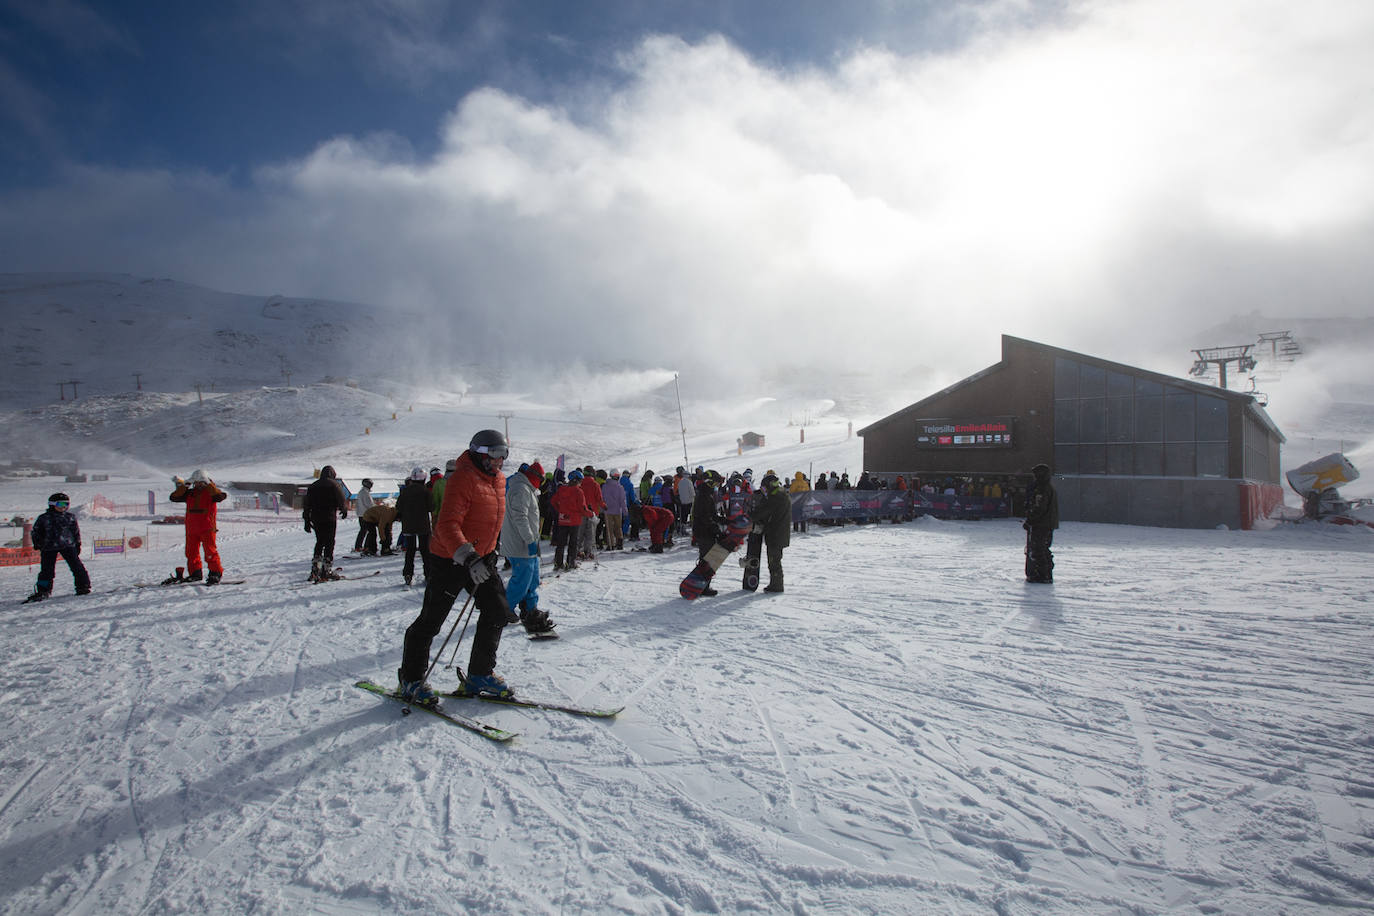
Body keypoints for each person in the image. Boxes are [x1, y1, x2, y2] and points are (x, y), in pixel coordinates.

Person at [398, 430, 517, 703]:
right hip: (451, 559)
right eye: (496, 455)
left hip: (481, 558)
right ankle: (411, 678)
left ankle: (480, 674)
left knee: (497, 612)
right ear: (479, 452)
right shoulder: (463, 478)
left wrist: (491, 548)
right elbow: (447, 525)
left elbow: (491, 518)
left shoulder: (498, 480)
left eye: (504, 455)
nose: (501, 461)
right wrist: (469, 557)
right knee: (431, 621)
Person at [502, 462, 555, 634]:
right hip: (520, 544)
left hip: (529, 543)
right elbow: (520, 517)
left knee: (532, 578)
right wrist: (530, 538)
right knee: (522, 579)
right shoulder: (521, 489)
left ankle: (530, 608)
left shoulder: (526, 489)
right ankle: (505, 610)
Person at [27, 492, 90, 601]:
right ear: (52, 504)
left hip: (68, 546)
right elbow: (36, 532)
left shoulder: (70, 517)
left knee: (77, 567)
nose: (63, 507)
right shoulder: (44, 518)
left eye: (66, 505)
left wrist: (77, 544)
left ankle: (83, 587)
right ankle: (43, 590)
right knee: (47, 571)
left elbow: (75, 532)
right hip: (49, 547)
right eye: (60, 505)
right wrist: (38, 543)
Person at [169, 469, 228, 583]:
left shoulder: (211, 492)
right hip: (192, 528)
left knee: (210, 552)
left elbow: (220, 496)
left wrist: (208, 483)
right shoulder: (190, 493)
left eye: (200, 482)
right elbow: (174, 497)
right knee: (191, 552)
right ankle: (195, 573)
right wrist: (185, 485)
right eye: (196, 482)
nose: (198, 484)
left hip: (207, 528)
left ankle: (215, 573)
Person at [303, 465, 348, 581]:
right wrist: (344, 510)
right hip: (329, 518)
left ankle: (315, 568)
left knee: (319, 542)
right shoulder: (334, 484)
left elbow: (306, 505)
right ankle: (326, 570)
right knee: (329, 543)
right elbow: (341, 499)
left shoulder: (313, 486)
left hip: (316, 518)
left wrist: (307, 521)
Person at [750, 473, 792, 592]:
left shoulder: (776, 496)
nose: (764, 491)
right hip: (779, 532)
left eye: (764, 488)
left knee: (774, 561)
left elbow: (764, 511)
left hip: (776, 533)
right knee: (775, 559)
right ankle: (776, 583)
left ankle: (777, 585)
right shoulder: (782, 493)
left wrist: (751, 516)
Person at [396, 467, 432, 586]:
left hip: (408, 526)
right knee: (425, 551)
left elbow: (399, 508)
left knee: (410, 551)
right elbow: (431, 507)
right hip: (423, 526)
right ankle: (428, 574)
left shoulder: (405, 491)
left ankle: (408, 574)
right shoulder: (425, 491)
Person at [1024, 463, 1059, 583]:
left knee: (1039, 549)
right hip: (1047, 523)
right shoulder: (1048, 487)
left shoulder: (1042, 488)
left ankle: (1043, 574)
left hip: (1041, 524)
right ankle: (1046, 573)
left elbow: (1039, 507)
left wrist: (1030, 520)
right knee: (1043, 548)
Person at [550, 469, 592, 570]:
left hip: (563, 519)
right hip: (574, 521)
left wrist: (560, 510)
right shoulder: (578, 491)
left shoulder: (562, 489)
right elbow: (582, 508)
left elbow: (553, 501)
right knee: (573, 543)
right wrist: (590, 514)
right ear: (576, 480)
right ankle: (570, 563)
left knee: (561, 543)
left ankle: (558, 563)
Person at [578, 467, 605, 561]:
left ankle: (578, 551)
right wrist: (604, 506)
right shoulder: (595, 484)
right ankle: (588, 552)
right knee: (590, 533)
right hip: (592, 512)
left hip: (581, 511)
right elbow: (599, 499)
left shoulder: (580, 483)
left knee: (580, 532)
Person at [601, 469, 627, 550]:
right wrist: (625, 511)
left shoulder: (605, 486)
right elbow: (622, 500)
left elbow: (602, 498)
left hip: (607, 510)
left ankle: (611, 544)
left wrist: (601, 510)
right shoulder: (620, 487)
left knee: (609, 529)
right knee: (618, 527)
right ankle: (619, 543)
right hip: (617, 511)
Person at [354, 478, 377, 554]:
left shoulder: (362, 492)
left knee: (363, 531)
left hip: (361, 514)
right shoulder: (365, 493)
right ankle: (366, 546)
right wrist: (376, 509)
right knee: (369, 530)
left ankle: (358, 546)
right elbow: (369, 504)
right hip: (365, 514)